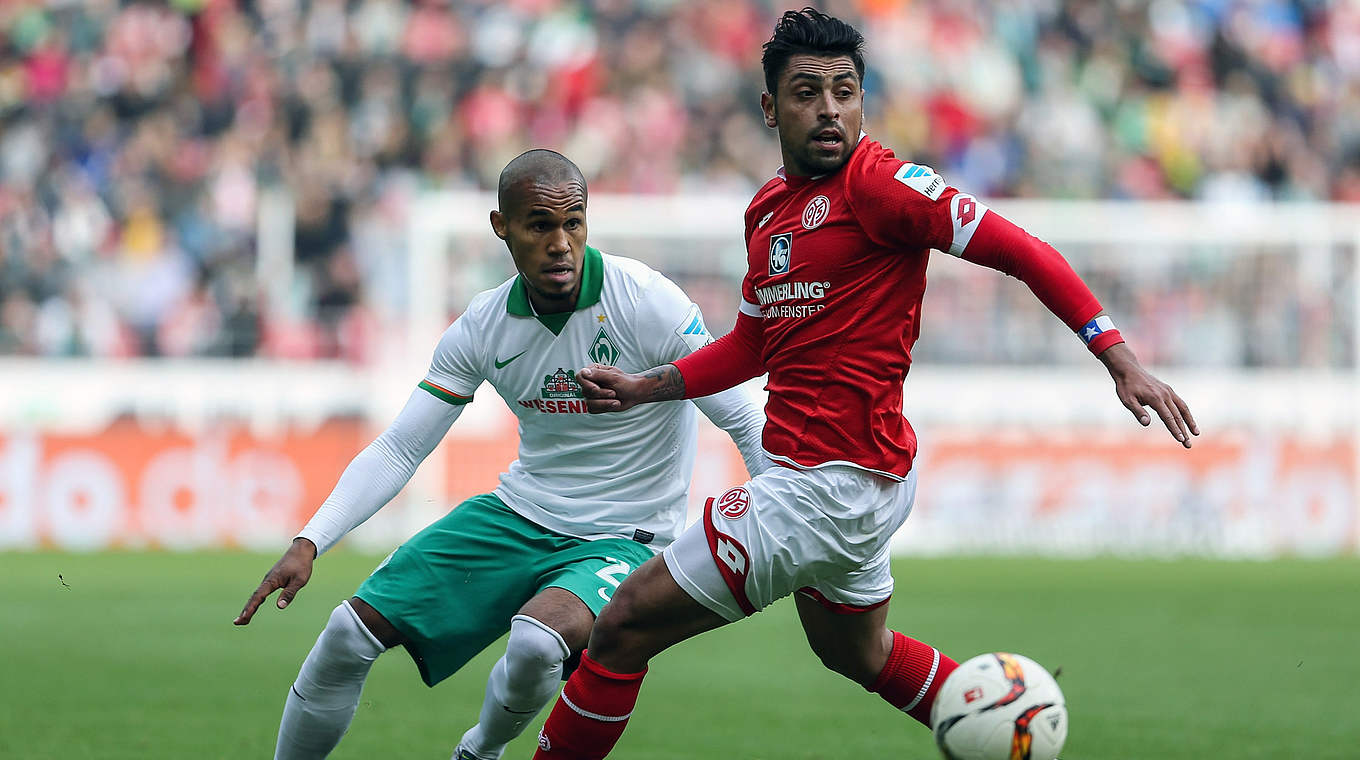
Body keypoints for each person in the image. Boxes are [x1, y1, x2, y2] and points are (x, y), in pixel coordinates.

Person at [531, 9, 1199, 758]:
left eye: (845, 91)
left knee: (622, 625)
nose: (829, 109)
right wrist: (647, 386)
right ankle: (1010, 729)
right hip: (853, 484)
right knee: (857, 653)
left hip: (824, 488)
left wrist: (1116, 354)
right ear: (768, 108)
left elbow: (1023, 250)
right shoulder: (766, 214)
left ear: (863, 99)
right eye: (807, 92)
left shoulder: (882, 187)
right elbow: (755, 343)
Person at [233, 149, 769, 760]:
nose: (561, 243)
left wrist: (776, 529)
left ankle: (479, 750)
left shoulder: (647, 302)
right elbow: (402, 448)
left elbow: (747, 418)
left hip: (627, 535)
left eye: (574, 222)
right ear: (502, 228)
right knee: (344, 635)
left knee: (538, 644)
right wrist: (310, 542)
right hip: (518, 515)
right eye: (541, 225)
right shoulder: (485, 325)